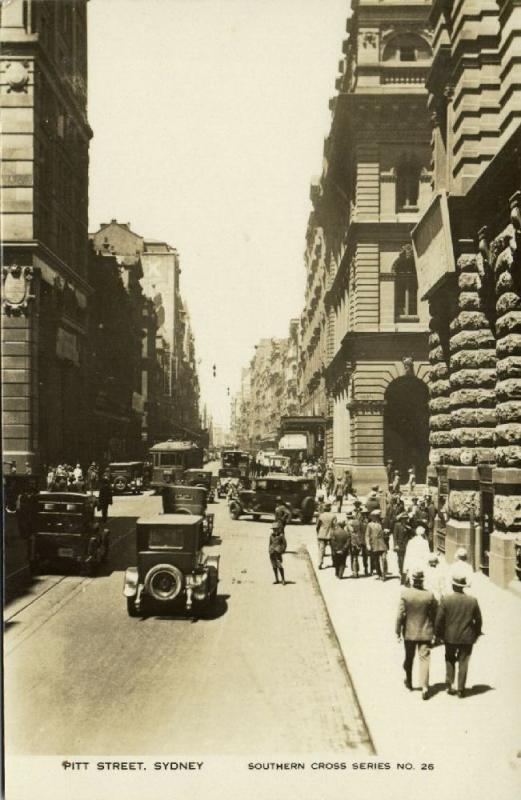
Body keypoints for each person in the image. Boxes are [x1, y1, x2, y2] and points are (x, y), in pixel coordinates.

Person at [435, 569, 483, 697]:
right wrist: (477, 633)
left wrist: (438, 635)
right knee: (464, 661)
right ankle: (461, 689)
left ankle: (449, 684)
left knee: (450, 659)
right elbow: (478, 620)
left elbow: (439, 619)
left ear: (453, 585)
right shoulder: (472, 600)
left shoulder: (446, 600)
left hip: (450, 636)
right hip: (467, 637)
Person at [396, 567, 437, 699]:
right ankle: (425, 687)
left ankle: (409, 681)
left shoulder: (405, 594)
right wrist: (436, 632)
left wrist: (397, 631)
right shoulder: (429, 595)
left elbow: (400, 615)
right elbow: (436, 614)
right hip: (425, 632)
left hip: (409, 632)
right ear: (422, 580)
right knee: (424, 659)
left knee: (409, 657)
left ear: (413, 580)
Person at [365, 509, 388, 580]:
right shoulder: (369, 525)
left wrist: (385, 532)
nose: (377, 517)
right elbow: (367, 535)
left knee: (384, 559)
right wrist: (368, 544)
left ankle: (384, 573)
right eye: (375, 516)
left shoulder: (381, 523)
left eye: (378, 516)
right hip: (374, 544)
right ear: (372, 517)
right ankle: (379, 573)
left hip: (382, 544)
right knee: (376, 560)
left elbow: (384, 533)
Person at [316, 501, 337, 569]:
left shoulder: (321, 515)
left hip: (322, 534)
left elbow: (317, 526)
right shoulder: (333, 516)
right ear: (330, 509)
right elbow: (335, 526)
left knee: (321, 549)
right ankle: (334, 562)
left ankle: (320, 563)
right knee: (333, 549)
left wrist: (318, 532)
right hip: (330, 534)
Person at [393, 511, 411, 583]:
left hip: (407, 546)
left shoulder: (408, 526)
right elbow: (395, 536)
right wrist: (395, 545)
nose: (405, 520)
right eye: (403, 518)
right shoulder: (397, 525)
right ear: (401, 519)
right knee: (400, 560)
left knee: (405, 560)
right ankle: (400, 572)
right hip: (399, 545)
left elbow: (411, 535)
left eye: (406, 518)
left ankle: (404, 575)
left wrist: (410, 529)